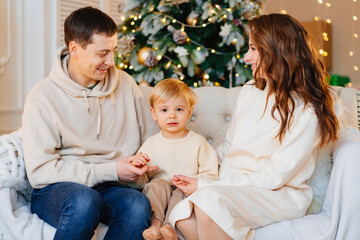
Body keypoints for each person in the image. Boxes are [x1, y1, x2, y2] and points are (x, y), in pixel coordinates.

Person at [168, 13, 340, 240]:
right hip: (233, 187)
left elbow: (276, 176)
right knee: (181, 216)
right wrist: (197, 171)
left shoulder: (308, 109)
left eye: (253, 49)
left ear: (276, 50)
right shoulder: (250, 90)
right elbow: (228, 149)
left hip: (279, 193)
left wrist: (209, 186)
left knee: (208, 203)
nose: (246, 57)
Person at [22, 6, 159, 240]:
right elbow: (39, 172)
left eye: (113, 51)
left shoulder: (126, 84)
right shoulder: (42, 96)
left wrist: (140, 167)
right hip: (59, 188)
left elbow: (152, 140)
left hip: (112, 186)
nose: (111, 61)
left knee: (137, 205)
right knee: (85, 201)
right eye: (102, 53)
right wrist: (111, 169)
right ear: (74, 49)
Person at [128, 78, 218, 240]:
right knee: (157, 185)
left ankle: (169, 226)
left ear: (189, 112)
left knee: (181, 191)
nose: (171, 115)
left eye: (178, 109)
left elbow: (211, 174)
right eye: (164, 110)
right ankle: (155, 224)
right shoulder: (150, 143)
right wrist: (138, 169)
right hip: (159, 190)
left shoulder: (198, 142)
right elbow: (140, 181)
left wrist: (192, 181)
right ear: (153, 113)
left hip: (184, 191)